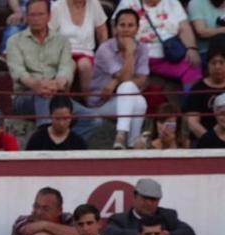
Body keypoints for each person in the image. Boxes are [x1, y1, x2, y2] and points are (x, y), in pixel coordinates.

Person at [8, 0, 96, 139]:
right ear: (27, 16)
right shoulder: (14, 41)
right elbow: (18, 72)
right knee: (44, 95)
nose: (36, 19)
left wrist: (57, 83)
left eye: (40, 14)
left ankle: (63, 146)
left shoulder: (62, 41)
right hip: (25, 96)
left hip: (55, 92)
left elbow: (66, 68)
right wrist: (37, 85)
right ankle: (46, 141)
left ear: (49, 16)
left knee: (92, 119)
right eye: (32, 15)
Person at [88, 9, 149, 149]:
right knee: (129, 89)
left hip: (125, 100)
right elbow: (128, 78)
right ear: (115, 28)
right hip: (101, 104)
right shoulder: (105, 49)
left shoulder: (143, 48)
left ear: (137, 29)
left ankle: (129, 141)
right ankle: (124, 137)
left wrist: (115, 81)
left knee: (139, 100)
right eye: (122, 25)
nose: (126, 30)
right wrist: (129, 52)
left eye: (130, 25)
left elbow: (142, 79)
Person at [114, 0, 202, 91]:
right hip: (135, 55)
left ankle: (190, 103)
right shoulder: (128, 2)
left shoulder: (173, 3)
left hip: (169, 54)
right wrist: (126, 50)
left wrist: (191, 48)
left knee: (193, 68)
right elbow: (116, 29)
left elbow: (184, 28)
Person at [102, 178, 197, 235]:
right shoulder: (120, 219)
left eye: (153, 199)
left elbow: (189, 233)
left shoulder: (168, 216)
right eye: (145, 198)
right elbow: (109, 233)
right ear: (135, 196)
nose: (149, 203)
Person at [49, 0, 108, 97]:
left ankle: (91, 103)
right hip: (63, 53)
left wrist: (102, 54)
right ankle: (62, 104)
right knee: (69, 66)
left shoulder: (94, 4)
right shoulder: (57, 7)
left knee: (85, 65)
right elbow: (49, 35)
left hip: (87, 53)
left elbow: (102, 33)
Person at [184, 44, 225, 142]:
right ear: (207, 65)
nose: (217, 67)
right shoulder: (198, 88)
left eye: (221, 62)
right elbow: (192, 123)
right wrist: (212, 141)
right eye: (213, 63)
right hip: (203, 142)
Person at [10, 186, 75, 235]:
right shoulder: (21, 221)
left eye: (45, 209)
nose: (39, 212)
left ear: (59, 211)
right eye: (36, 206)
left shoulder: (68, 218)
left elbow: (82, 234)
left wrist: (44, 225)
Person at [25, 95, 89, 150]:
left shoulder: (78, 142)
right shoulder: (37, 139)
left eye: (65, 118)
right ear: (50, 116)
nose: (61, 123)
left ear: (71, 117)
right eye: (57, 119)